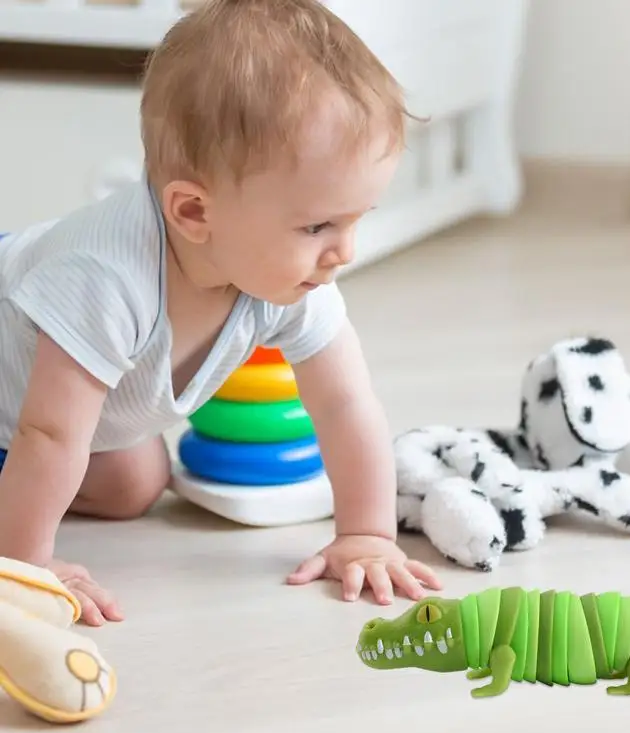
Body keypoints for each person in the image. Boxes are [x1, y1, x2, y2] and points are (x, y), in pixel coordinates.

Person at [0, 0, 442, 626]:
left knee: (134, 484)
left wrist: (367, 534)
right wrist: (25, 566)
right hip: (21, 388)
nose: (344, 252)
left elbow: (345, 403)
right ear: (194, 213)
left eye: (354, 220)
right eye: (318, 225)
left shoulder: (289, 276)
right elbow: (48, 434)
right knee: (53, 452)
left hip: (33, 413)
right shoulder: (102, 279)